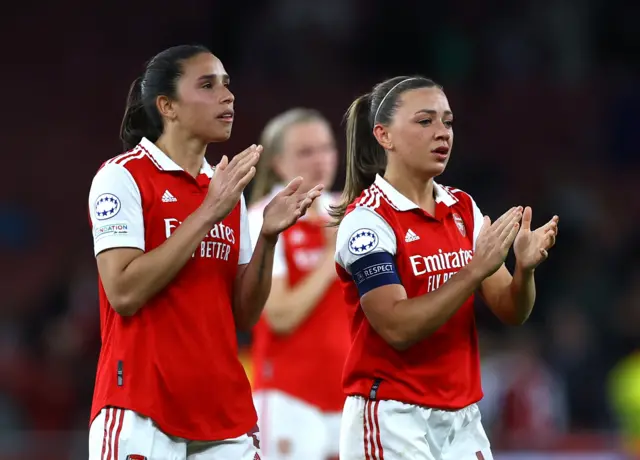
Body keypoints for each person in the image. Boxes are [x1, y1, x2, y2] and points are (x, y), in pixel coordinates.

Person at [87, 44, 323, 460]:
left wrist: (267, 237)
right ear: (168, 106)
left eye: (228, 85)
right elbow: (123, 292)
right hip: (141, 410)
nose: (228, 95)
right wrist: (208, 212)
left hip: (222, 414)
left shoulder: (225, 190)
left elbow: (244, 315)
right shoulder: (123, 177)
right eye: (208, 85)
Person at [330, 76, 559, 460]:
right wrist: (472, 271)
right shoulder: (367, 222)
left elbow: (512, 310)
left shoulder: (462, 208)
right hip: (391, 417)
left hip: (462, 418)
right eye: (425, 122)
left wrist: (524, 271)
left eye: (448, 122)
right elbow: (397, 327)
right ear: (384, 136)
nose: (442, 133)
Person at [247, 108, 349, 460]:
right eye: (306, 152)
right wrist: (329, 259)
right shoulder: (261, 219)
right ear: (278, 163)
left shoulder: (350, 214)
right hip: (288, 398)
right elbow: (280, 316)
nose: (320, 160)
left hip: (350, 399)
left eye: (326, 148)